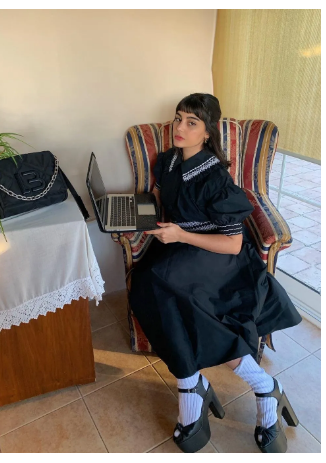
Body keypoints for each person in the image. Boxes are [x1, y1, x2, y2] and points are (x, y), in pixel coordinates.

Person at [129, 93, 302, 453]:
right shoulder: (170, 161)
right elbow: (161, 195)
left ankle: (262, 386)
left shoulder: (215, 179)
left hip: (220, 256)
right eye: (178, 118)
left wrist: (180, 235)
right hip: (181, 246)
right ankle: (191, 382)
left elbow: (233, 245)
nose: (180, 127)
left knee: (168, 287)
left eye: (191, 122)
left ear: (207, 132)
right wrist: (141, 215)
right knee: (148, 282)